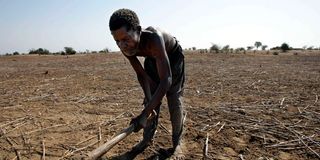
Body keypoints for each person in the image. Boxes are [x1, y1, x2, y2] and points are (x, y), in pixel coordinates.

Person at [109, 8, 185, 159]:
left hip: (172, 57)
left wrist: (144, 115)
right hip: (153, 59)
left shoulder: (154, 38)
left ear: (137, 30)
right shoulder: (125, 47)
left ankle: (178, 144)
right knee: (150, 101)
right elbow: (141, 75)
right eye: (117, 41)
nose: (121, 45)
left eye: (125, 39)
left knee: (174, 100)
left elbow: (166, 80)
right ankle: (146, 140)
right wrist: (149, 104)